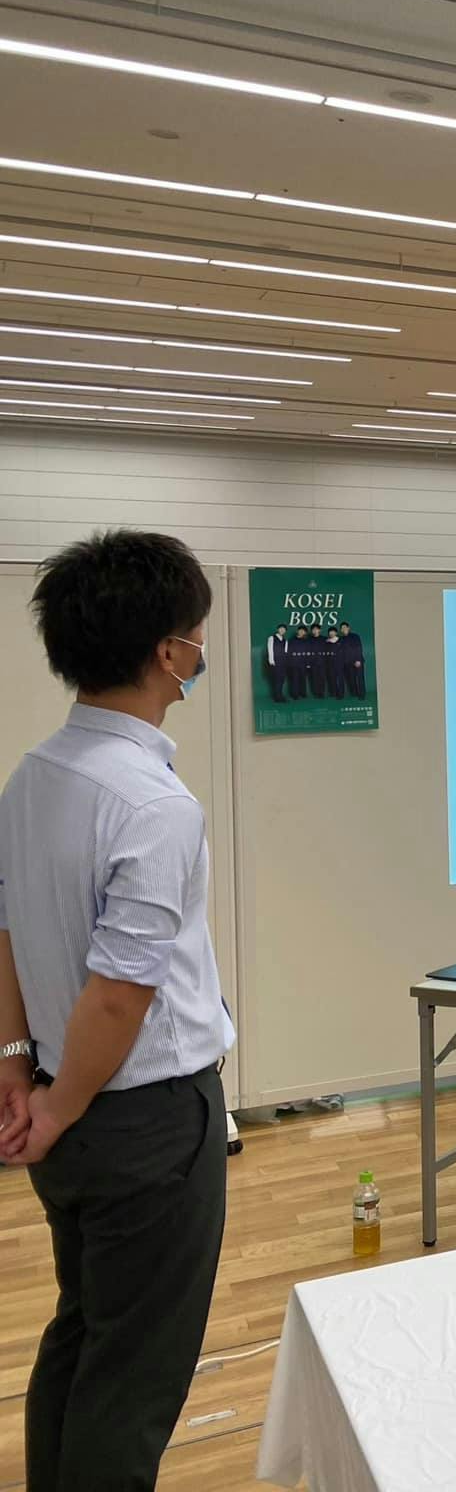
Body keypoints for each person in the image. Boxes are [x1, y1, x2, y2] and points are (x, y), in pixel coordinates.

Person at [0, 530, 234, 1490]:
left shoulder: (32, 778)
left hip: (66, 1103)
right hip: (144, 1120)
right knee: (134, 1377)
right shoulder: (152, 803)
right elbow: (121, 991)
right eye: (196, 637)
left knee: (85, 1330)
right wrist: (54, 1107)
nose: (199, 654)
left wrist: (20, 1070)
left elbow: (9, 934)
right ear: (167, 653)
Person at [337, 621, 367, 700]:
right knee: (352, 679)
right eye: (342, 628)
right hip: (348, 662)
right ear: (341, 630)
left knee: (360, 678)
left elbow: (359, 648)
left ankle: (362, 695)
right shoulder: (341, 639)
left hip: (357, 661)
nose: (344, 629)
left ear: (348, 628)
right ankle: (355, 693)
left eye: (345, 627)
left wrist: (358, 660)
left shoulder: (355, 636)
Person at [261, 623, 290, 704]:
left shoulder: (285, 640)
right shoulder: (272, 638)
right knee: (276, 679)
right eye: (281, 628)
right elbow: (270, 649)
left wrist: (286, 662)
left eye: (284, 629)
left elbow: (285, 652)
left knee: (282, 679)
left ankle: (280, 695)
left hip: (283, 662)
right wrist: (271, 661)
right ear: (278, 629)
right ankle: (277, 697)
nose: (282, 630)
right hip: (275, 661)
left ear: (285, 631)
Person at [321, 625, 346, 698]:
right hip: (329, 662)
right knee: (331, 677)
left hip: (339, 662)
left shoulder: (341, 640)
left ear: (336, 633)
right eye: (330, 632)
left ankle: (341, 694)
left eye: (333, 632)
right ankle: (333, 692)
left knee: (339, 678)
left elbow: (344, 652)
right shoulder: (326, 642)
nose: (331, 633)